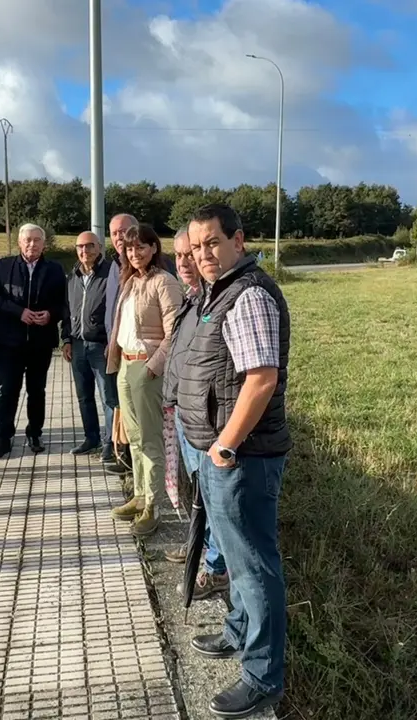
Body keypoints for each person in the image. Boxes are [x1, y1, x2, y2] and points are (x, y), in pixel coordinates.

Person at [178, 203, 292, 718]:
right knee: (238, 557)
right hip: (222, 455)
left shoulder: (247, 295)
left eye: (212, 243)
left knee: (253, 568)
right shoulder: (217, 291)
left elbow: (261, 379)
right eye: (197, 245)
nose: (203, 254)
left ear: (238, 240)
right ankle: (238, 631)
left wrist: (223, 445)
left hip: (242, 458)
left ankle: (263, 676)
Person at [162, 225, 229, 601]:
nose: (185, 262)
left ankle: (216, 569)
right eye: (180, 255)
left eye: (191, 253)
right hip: (186, 416)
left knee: (215, 502)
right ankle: (201, 552)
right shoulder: (194, 298)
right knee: (201, 495)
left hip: (208, 423)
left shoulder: (218, 299)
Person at [106, 223, 183, 537]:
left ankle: (153, 505)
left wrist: (153, 367)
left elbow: (174, 331)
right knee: (134, 438)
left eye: (141, 247)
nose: (134, 253)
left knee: (150, 440)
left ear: (154, 248)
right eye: (129, 248)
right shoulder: (130, 281)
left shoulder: (164, 282)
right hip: (125, 365)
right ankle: (140, 495)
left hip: (147, 368)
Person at [0, 223, 66, 458]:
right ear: (19, 242)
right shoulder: (4, 266)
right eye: (27, 240)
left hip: (41, 342)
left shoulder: (55, 269)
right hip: (9, 342)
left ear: (44, 243)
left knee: (37, 390)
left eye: (37, 240)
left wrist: (51, 314)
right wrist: (18, 312)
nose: (32, 244)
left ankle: (35, 433)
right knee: (7, 390)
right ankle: (3, 438)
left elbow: (63, 302)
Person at [60, 231, 117, 460]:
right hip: (77, 345)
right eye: (80, 247)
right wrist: (65, 340)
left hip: (100, 346)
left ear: (100, 247)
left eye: (90, 246)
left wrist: (111, 342)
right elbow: (67, 310)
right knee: (84, 396)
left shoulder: (110, 273)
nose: (85, 251)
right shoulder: (72, 276)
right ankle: (90, 437)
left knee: (108, 397)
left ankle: (109, 442)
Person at [102, 213, 137, 476]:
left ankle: (133, 463)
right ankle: (122, 455)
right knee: (118, 405)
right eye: (114, 233)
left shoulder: (147, 264)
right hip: (115, 347)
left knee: (134, 410)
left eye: (124, 231)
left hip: (138, 353)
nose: (119, 237)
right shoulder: (114, 265)